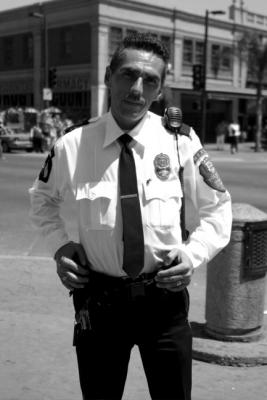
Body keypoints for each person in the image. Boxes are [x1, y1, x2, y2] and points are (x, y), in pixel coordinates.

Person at [29, 33, 232, 400]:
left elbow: (218, 208)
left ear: (160, 89)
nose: (137, 89)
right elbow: (41, 200)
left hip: (164, 306)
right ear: (109, 76)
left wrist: (191, 254)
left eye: (150, 80)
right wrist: (60, 248)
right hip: (100, 305)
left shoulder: (180, 141)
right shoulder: (73, 144)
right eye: (128, 75)